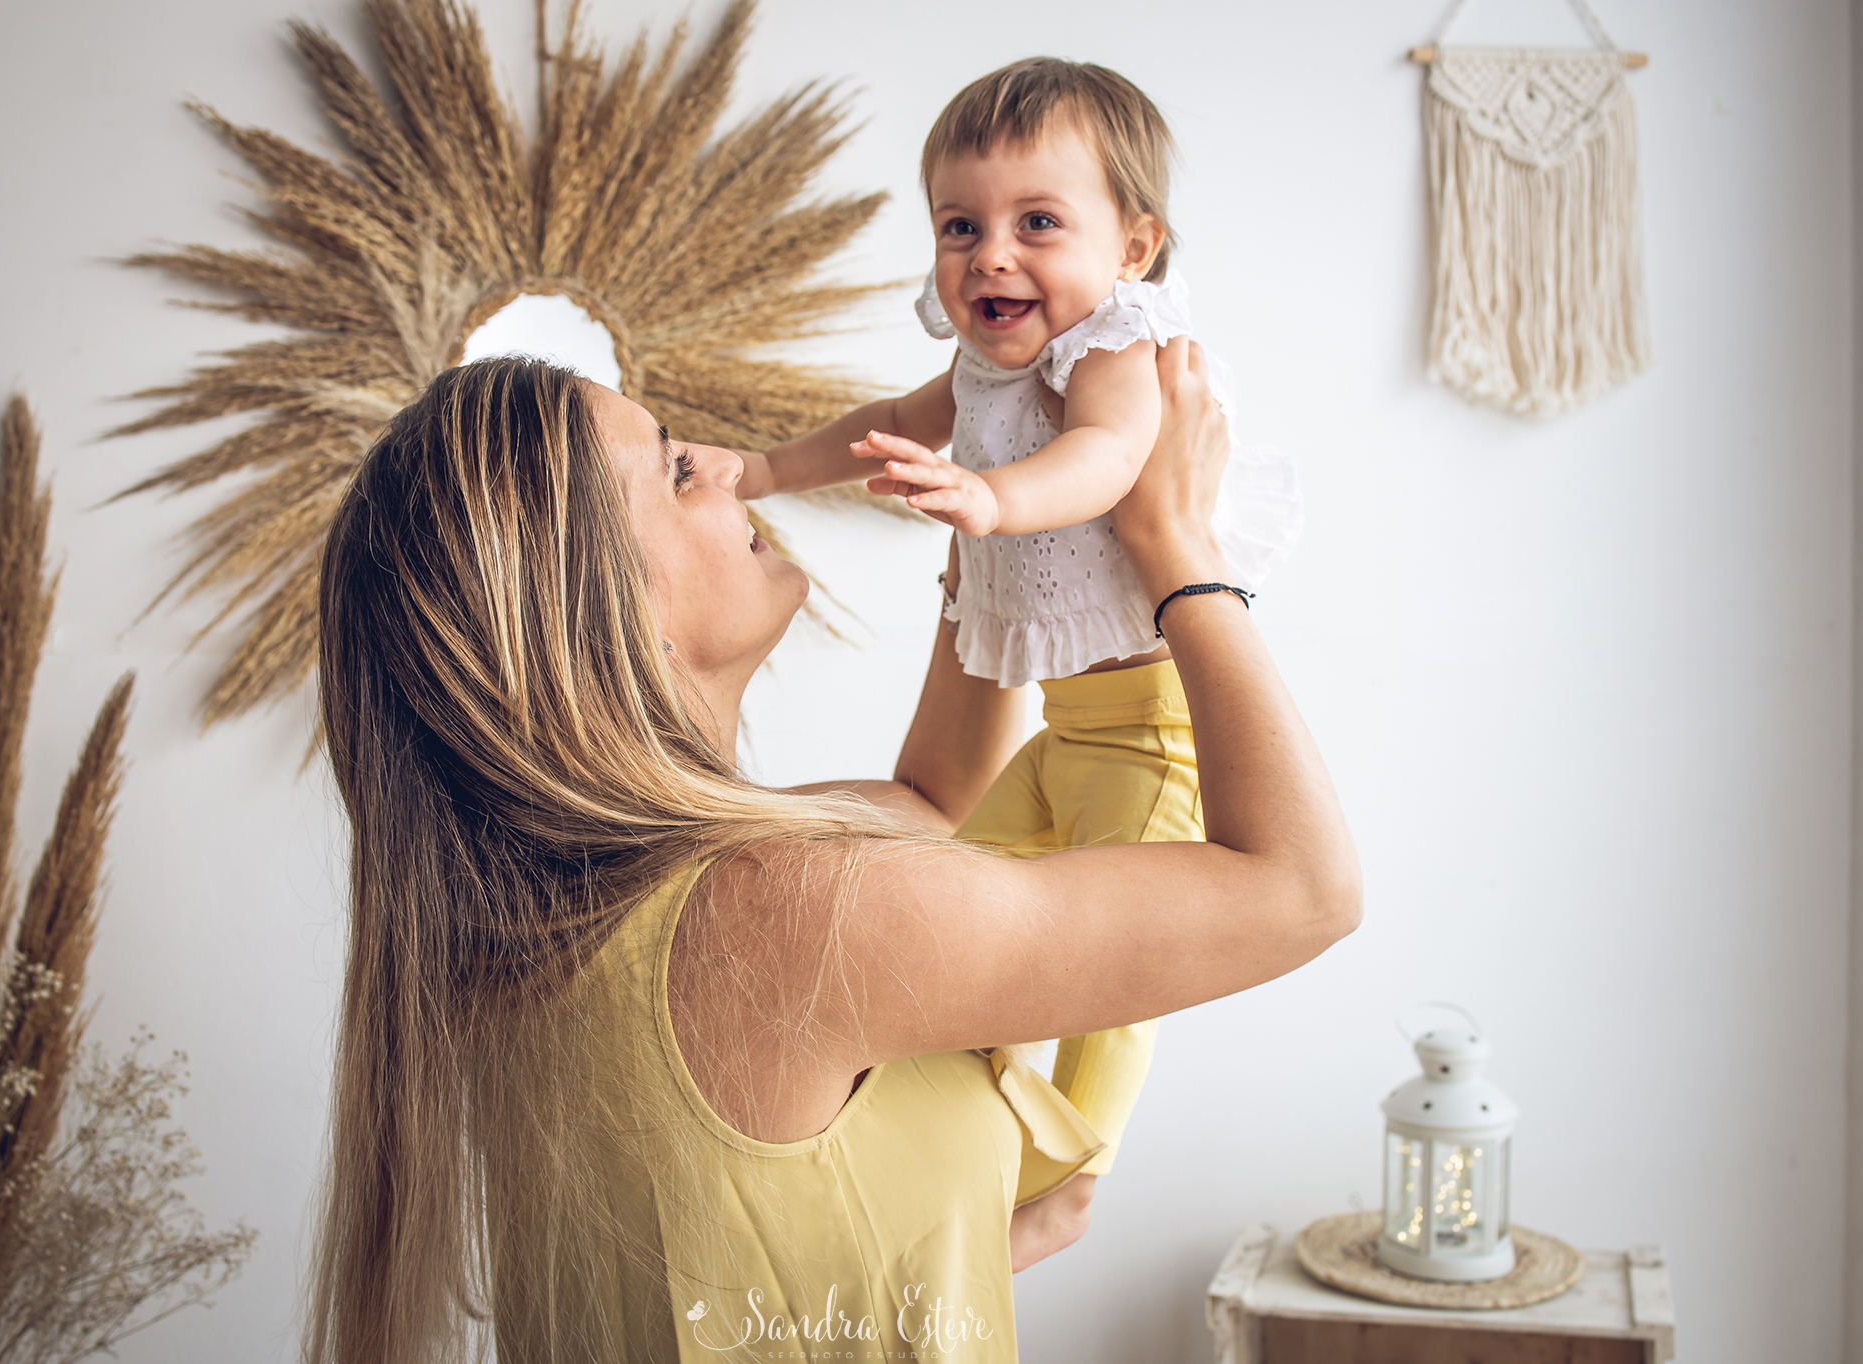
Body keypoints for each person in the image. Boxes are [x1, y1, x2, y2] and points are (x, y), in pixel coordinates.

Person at [306, 342, 1358, 1362]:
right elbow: (1303, 888)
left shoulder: (553, 929)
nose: (724, 469)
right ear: (611, 612)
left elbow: (932, 800)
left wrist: (1001, 540)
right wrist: (1175, 541)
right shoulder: (774, 913)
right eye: (676, 470)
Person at [737, 58, 1303, 1208]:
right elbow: (892, 420)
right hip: (1068, 727)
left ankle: (1070, 1172)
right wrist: (763, 469)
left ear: (1133, 248)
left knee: (1112, 979)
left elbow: (1105, 457)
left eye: (1037, 221)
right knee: (956, 902)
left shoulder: (1115, 345)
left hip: (1154, 734)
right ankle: (946, 1119)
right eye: (960, 224)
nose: (990, 253)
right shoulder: (979, 362)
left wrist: (993, 503)